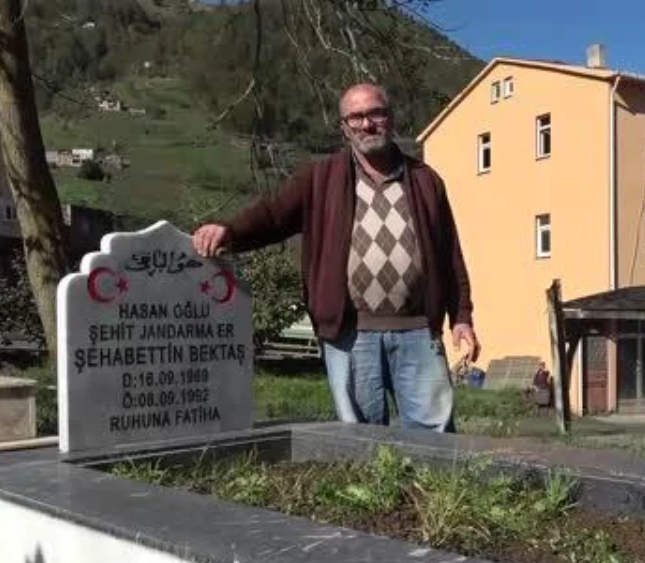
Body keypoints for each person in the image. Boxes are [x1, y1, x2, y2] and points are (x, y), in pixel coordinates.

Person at [192, 83, 479, 432]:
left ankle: (431, 489)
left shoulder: (425, 180)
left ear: (390, 118)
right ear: (344, 127)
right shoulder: (321, 177)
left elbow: (450, 253)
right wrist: (229, 231)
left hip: (417, 330)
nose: (366, 124)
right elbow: (273, 216)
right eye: (355, 117)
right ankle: (379, 489)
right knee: (361, 438)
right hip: (350, 332)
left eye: (375, 113)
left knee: (433, 437)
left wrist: (461, 315)